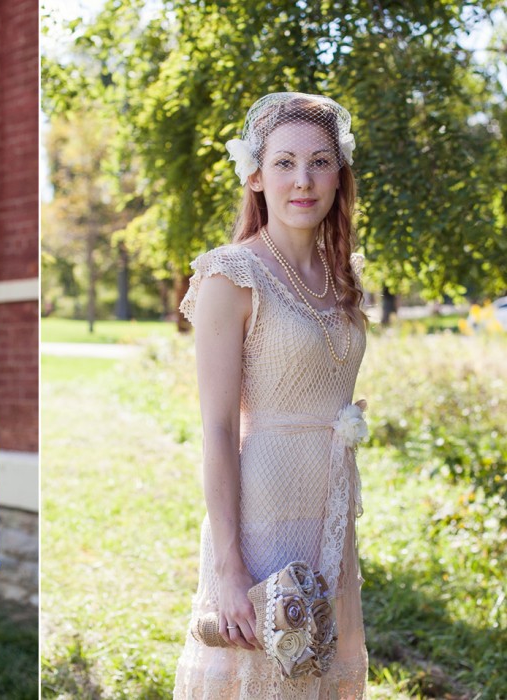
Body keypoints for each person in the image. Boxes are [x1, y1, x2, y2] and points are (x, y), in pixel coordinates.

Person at [172, 93, 369, 698]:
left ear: (340, 174)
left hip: (330, 508)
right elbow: (216, 429)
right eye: (284, 163)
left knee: (319, 670)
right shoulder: (231, 275)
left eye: (319, 161)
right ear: (255, 176)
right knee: (261, 678)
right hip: (263, 517)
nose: (303, 180)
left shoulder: (345, 279)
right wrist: (231, 570)